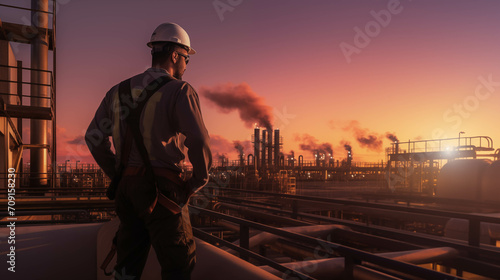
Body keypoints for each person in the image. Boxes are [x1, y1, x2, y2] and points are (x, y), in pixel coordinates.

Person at [85, 22, 212, 279]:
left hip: (127, 192)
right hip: (163, 191)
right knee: (180, 263)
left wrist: (119, 173)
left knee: (127, 265)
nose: (186, 65)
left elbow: (93, 137)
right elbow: (198, 140)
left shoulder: (117, 92)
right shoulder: (179, 90)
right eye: (186, 58)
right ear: (175, 55)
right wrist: (197, 181)